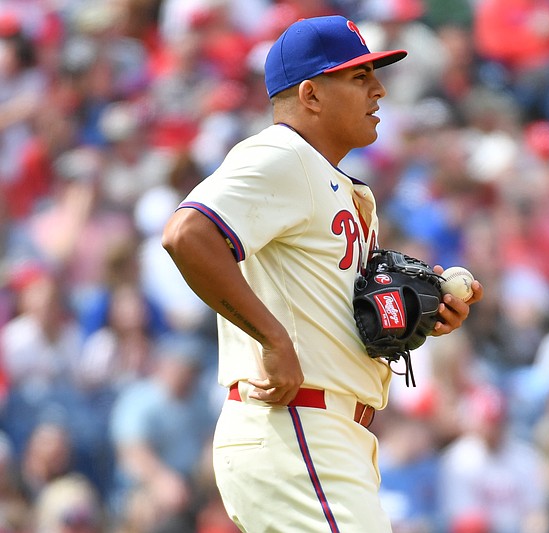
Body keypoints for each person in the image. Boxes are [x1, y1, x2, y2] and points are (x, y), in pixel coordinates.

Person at [161, 15, 482, 533]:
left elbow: (339, 320)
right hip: (297, 426)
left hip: (327, 434)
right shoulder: (281, 152)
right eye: (358, 78)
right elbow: (186, 234)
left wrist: (420, 312)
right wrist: (271, 339)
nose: (378, 89)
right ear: (310, 95)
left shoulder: (345, 189)